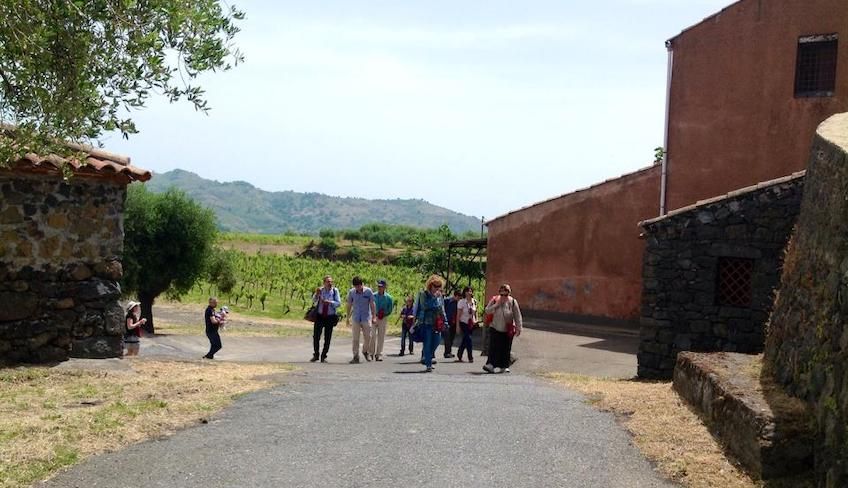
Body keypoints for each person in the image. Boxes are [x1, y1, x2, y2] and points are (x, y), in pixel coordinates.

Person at [483, 284, 522, 373]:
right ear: (499, 293)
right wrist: (496, 305)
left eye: (506, 295)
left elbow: (517, 315)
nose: (504, 297)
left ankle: (504, 366)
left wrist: (519, 327)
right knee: (493, 347)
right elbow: (487, 310)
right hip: (495, 327)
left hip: (507, 329)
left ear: (509, 294)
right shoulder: (494, 300)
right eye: (502, 294)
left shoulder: (512, 302)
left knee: (506, 348)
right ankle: (490, 365)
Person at [414, 275, 448, 372]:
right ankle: (428, 364)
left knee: (437, 341)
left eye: (439, 286)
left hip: (437, 322)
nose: (437, 288)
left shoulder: (440, 295)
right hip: (426, 322)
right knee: (427, 343)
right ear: (430, 285)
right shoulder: (423, 294)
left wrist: (445, 321)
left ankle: (427, 356)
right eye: (435, 286)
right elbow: (424, 306)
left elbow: (442, 309)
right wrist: (433, 298)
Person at [346, 276, 376, 364]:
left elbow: (372, 303)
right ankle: (355, 356)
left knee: (368, 337)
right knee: (355, 338)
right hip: (356, 317)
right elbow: (349, 304)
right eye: (356, 287)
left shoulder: (368, 291)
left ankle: (365, 351)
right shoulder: (352, 292)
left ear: (362, 284)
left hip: (366, 317)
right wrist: (348, 317)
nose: (358, 288)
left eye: (359, 286)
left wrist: (374, 316)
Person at [312, 275, 341, 363]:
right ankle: (316, 354)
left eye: (331, 282)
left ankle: (323, 356)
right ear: (324, 283)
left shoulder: (335, 291)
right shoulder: (320, 290)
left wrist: (330, 302)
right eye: (328, 282)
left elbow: (338, 303)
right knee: (316, 336)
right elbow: (314, 301)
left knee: (327, 337)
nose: (330, 283)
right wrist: (317, 294)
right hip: (320, 316)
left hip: (330, 316)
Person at [370, 279, 394, 361]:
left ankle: (379, 354)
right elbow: (369, 306)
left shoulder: (389, 298)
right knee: (372, 335)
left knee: (381, 336)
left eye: (381, 286)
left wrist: (384, 313)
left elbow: (390, 309)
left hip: (383, 318)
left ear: (385, 287)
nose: (379, 288)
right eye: (378, 286)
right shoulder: (373, 296)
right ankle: (371, 353)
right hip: (374, 316)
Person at [456, 287, 477, 363]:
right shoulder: (462, 302)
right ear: (464, 292)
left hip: (471, 323)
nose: (469, 292)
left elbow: (475, 312)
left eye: (470, 291)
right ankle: (470, 357)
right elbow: (458, 314)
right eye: (467, 291)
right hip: (463, 322)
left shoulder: (474, 301)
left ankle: (460, 352)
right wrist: (457, 326)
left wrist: (476, 320)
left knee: (465, 340)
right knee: (468, 339)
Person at [443, 289, 462, 358]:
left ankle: (448, 352)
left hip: (454, 323)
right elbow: (443, 309)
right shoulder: (447, 301)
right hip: (447, 321)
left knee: (451, 338)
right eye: (459, 297)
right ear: (455, 296)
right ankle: (447, 352)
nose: (459, 299)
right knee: (447, 338)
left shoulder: (459, 303)